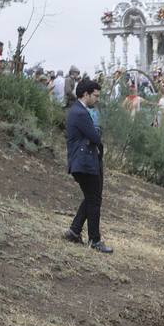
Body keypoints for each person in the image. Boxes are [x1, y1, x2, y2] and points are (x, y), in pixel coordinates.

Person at [63, 78, 112, 253]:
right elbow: (96, 137)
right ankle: (94, 240)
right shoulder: (81, 113)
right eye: (95, 95)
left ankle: (74, 231)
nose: (97, 99)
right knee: (94, 200)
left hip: (82, 162)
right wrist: (97, 131)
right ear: (86, 94)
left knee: (91, 198)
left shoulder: (76, 110)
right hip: (84, 163)